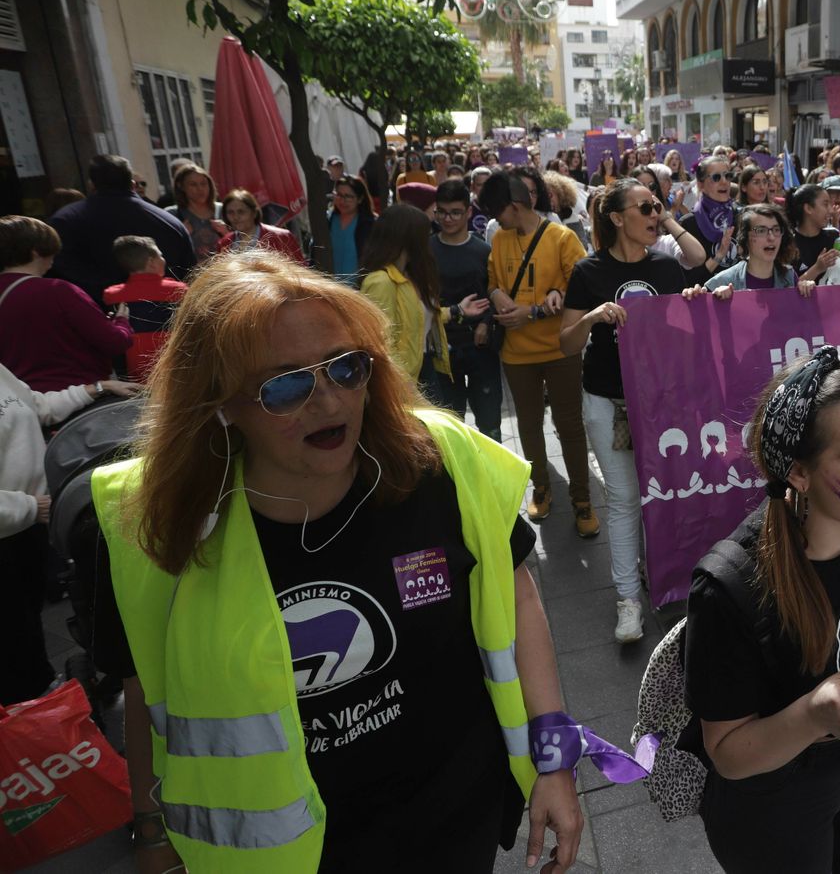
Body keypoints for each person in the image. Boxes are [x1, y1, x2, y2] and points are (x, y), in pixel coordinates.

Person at [87, 252, 583, 873]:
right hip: (287, 855)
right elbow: (144, 692)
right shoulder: (152, 525)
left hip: (454, 818)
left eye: (347, 368)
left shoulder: (441, 468)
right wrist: (153, 832)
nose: (328, 400)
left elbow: (519, 599)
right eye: (285, 384)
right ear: (219, 401)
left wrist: (556, 760)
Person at [685, 350, 840, 874]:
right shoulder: (727, 586)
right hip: (775, 818)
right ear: (799, 474)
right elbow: (727, 751)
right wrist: (813, 715)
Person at [560, 179, 701, 642]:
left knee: (660, 495)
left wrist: (698, 305)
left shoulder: (666, 267)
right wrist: (591, 317)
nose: (656, 213)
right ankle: (627, 600)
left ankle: (658, 579)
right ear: (617, 218)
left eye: (658, 204)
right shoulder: (587, 272)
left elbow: (684, 335)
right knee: (623, 500)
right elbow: (566, 344)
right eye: (646, 206)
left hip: (660, 403)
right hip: (607, 401)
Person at [1, 364, 137, 703]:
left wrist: (98, 387)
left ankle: (39, 708)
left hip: (27, 528)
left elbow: (37, 406)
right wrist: (29, 506)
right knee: (13, 641)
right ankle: (31, 722)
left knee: (27, 629)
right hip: (17, 524)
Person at [478, 170, 599, 539]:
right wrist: (501, 299)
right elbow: (494, 281)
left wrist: (534, 311)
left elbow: (582, 284)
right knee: (528, 426)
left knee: (569, 426)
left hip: (560, 347)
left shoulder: (562, 237)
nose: (496, 220)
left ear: (515, 206)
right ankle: (541, 487)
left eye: (498, 211)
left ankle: (582, 500)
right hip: (517, 354)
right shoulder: (500, 239)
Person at [360, 204, 487, 393]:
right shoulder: (381, 282)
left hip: (422, 369)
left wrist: (456, 310)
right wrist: (402, 386)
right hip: (402, 382)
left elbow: (418, 319)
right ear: (409, 238)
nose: (429, 240)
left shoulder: (410, 275)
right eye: (424, 234)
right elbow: (379, 343)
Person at [0, 216, 134, 393]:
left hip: (19, 404)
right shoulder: (59, 291)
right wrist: (122, 322)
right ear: (35, 252)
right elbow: (114, 342)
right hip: (78, 396)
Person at [47, 154, 196, 298]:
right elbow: (190, 273)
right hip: (165, 314)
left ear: (91, 184)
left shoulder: (64, 222)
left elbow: (54, 271)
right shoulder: (170, 223)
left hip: (92, 314)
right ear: (132, 184)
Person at [428, 178, 501, 442]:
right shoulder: (426, 250)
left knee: (490, 424)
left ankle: (494, 479)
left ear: (469, 212)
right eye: (441, 212)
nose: (447, 219)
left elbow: (495, 293)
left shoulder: (483, 251)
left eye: (455, 212)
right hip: (441, 349)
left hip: (481, 347)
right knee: (450, 426)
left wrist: (486, 322)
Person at [104, 236, 189, 382]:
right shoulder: (179, 291)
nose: (163, 259)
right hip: (174, 373)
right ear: (151, 262)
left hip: (131, 377)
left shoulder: (112, 296)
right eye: (160, 255)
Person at [706, 204, 809, 296]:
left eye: (776, 230)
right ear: (745, 237)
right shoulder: (724, 281)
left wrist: (808, 291)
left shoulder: (789, 276)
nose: (771, 237)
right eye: (761, 231)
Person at [679, 156, 739, 285]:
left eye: (727, 176)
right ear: (700, 184)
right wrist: (719, 256)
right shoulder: (688, 224)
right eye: (716, 177)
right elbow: (688, 280)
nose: (724, 182)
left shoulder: (741, 216)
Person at [217, 188, 305, 263]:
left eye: (241, 212)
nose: (236, 217)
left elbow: (300, 270)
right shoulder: (224, 243)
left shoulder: (281, 237)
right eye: (230, 212)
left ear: (254, 213)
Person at [165, 163, 226, 263]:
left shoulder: (224, 210)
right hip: (191, 275)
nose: (200, 189)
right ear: (181, 186)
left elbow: (242, 244)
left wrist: (227, 234)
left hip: (223, 273)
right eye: (193, 184)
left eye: (203, 183)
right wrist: (181, 235)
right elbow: (165, 250)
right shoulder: (172, 215)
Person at [786, 183, 840, 283]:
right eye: (825, 204)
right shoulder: (788, 243)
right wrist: (818, 268)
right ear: (808, 208)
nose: (831, 210)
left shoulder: (834, 236)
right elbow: (787, 289)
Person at [329, 175, 374, 284]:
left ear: (360, 199)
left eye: (348, 196)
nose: (342, 201)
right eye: (339, 195)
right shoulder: (328, 221)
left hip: (357, 292)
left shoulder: (369, 225)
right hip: (329, 291)